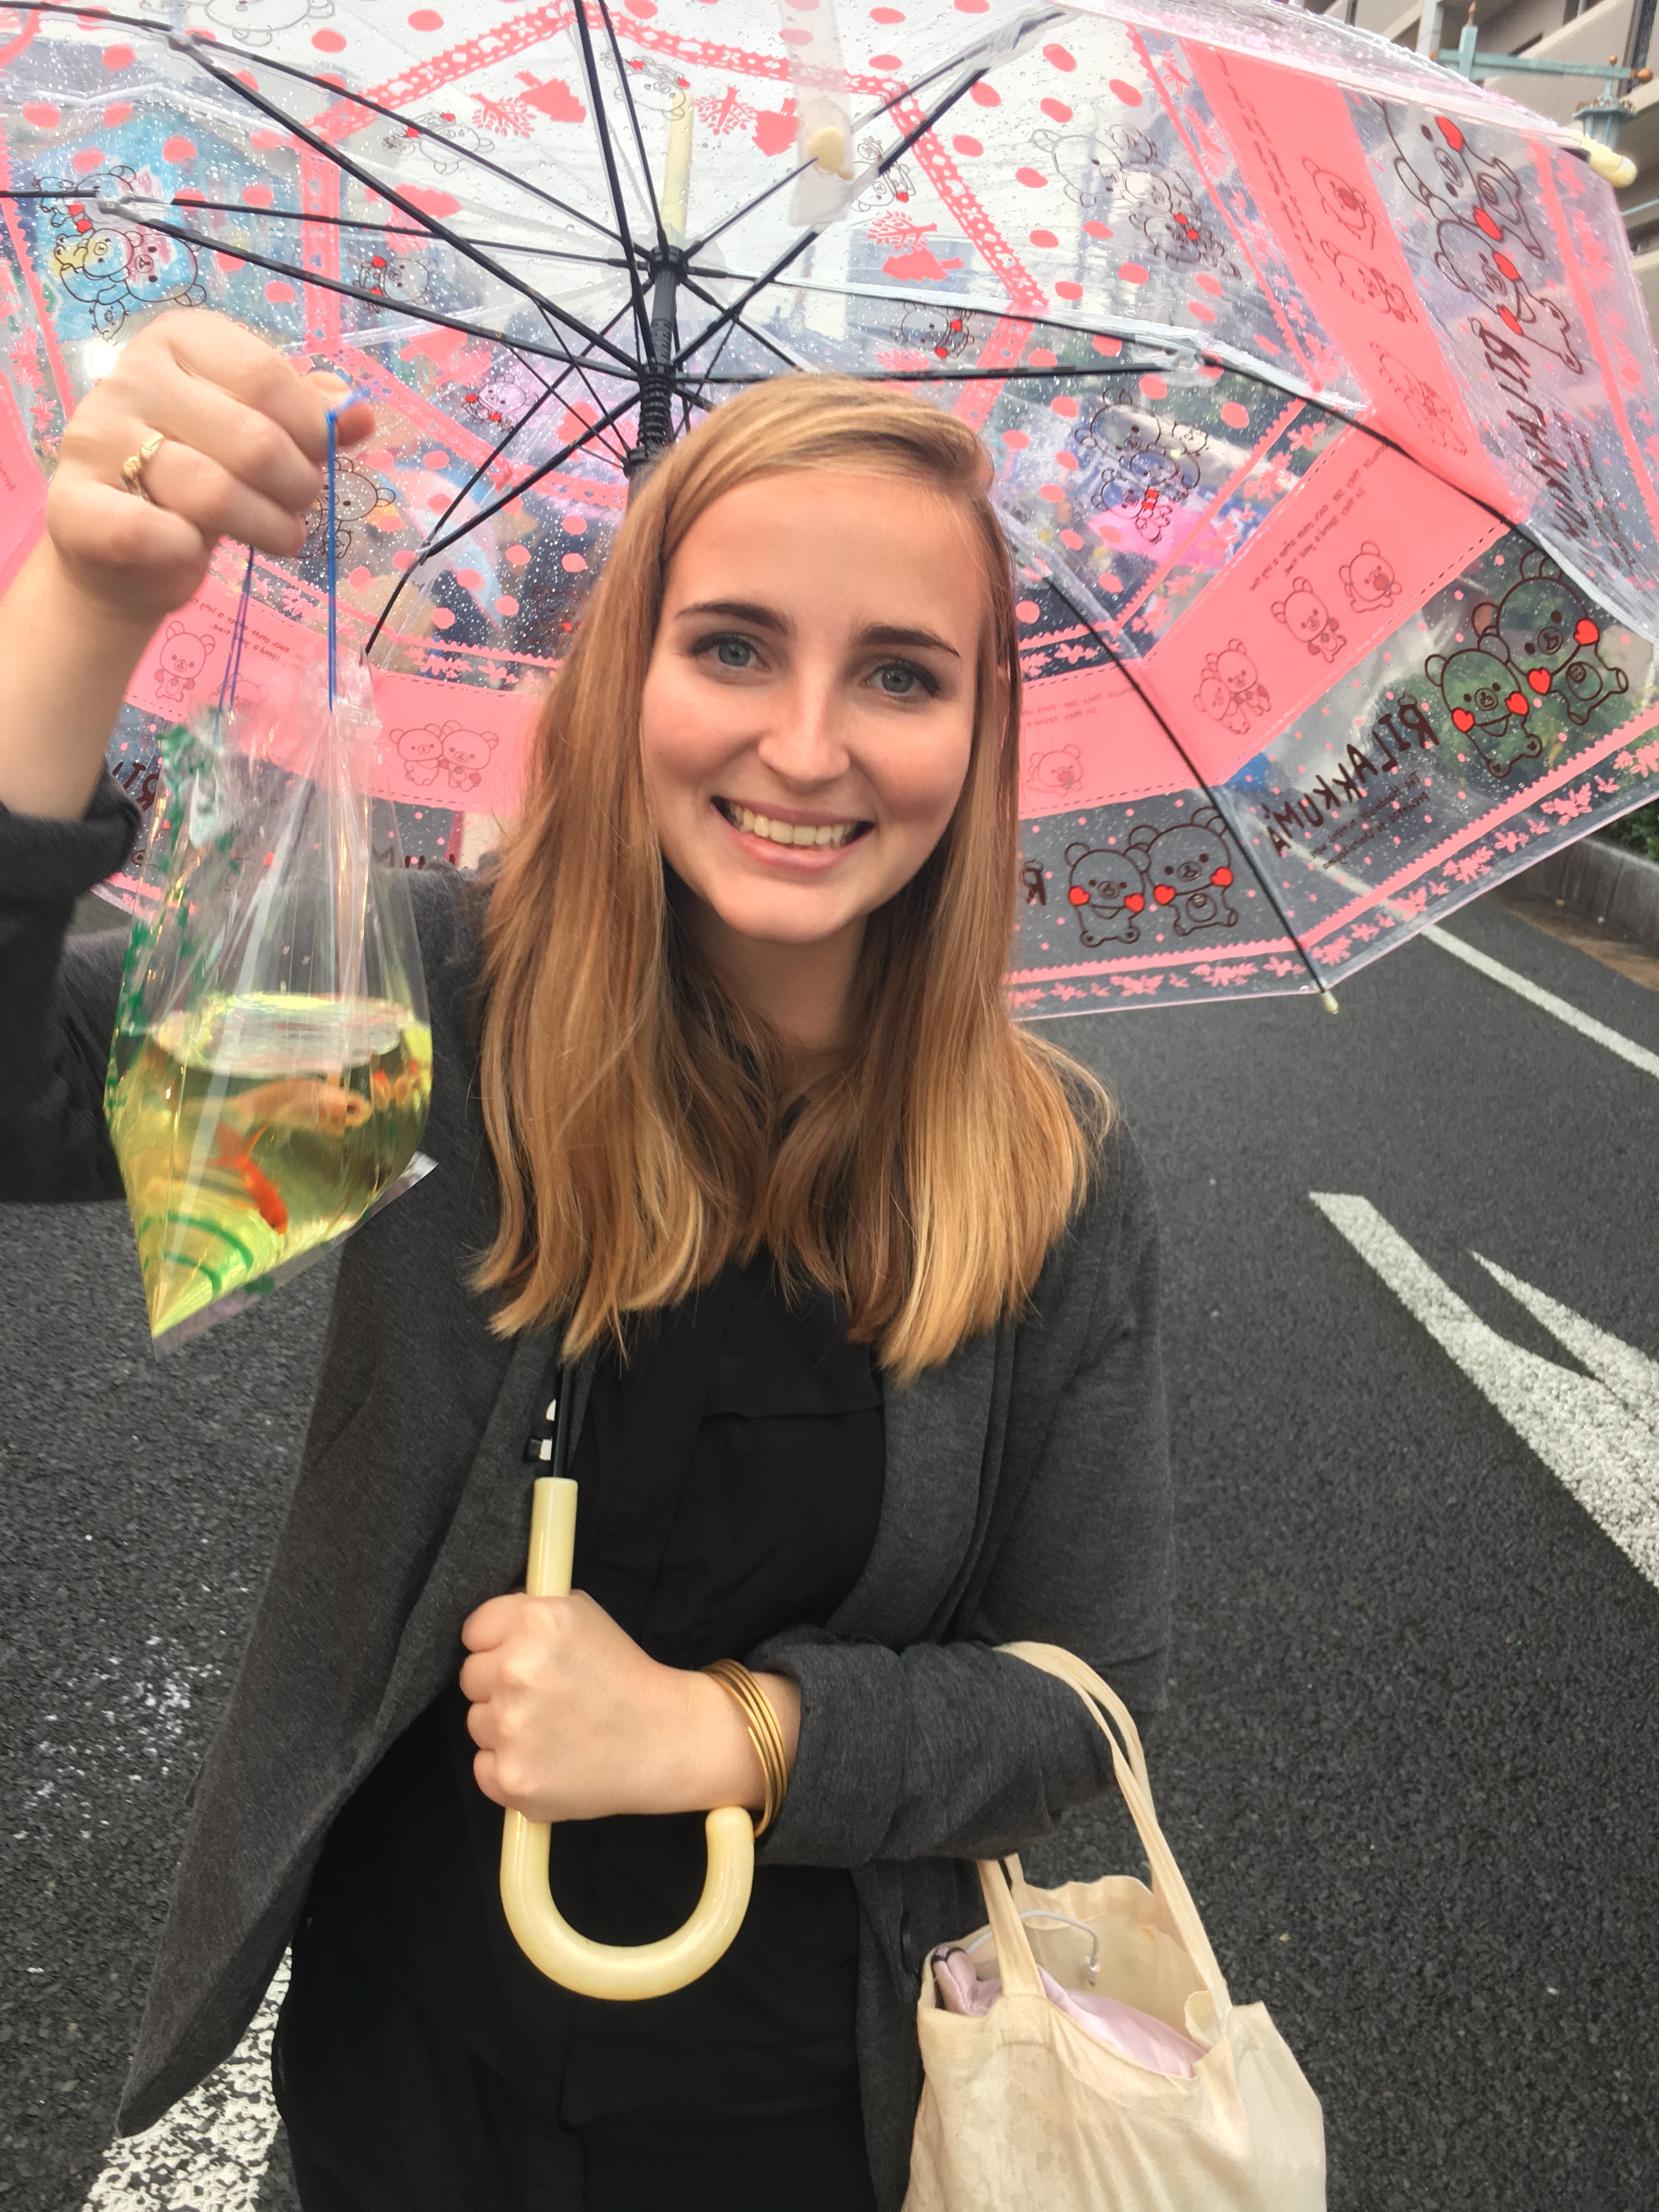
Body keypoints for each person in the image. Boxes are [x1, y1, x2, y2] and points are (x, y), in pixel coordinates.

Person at [0, 313, 1172, 2212]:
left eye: (899, 673)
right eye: (731, 647)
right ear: (630, 672)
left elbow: (1082, 1699)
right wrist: (88, 595)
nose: (806, 745)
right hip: (396, 2086)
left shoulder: (1049, 1176)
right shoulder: (442, 1008)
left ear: (982, 733)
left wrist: (729, 1731)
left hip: (817, 2126)